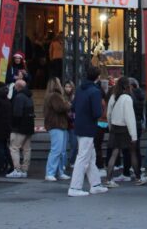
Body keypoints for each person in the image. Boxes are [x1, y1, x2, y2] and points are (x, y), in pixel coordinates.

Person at [68, 66, 109, 197]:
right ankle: (75, 187)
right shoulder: (95, 91)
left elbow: (73, 107)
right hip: (89, 127)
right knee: (84, 157)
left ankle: (95, 184)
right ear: (97, 77)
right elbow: (97, 112)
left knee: (90, 156)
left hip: (79, 125)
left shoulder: (80, 89)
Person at [104, 77, 143, 187]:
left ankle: (108, 179)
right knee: (132, 152)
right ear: (128, 86)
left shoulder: (113, 96)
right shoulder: (127, 98)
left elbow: (109, 114)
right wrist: (133, 135)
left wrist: (110, 126)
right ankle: (138, 177)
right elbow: (129, 118)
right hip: (125, 128)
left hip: (115, 128)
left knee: (114, 153)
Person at [43, 78, 71, 181]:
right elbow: (60, 107)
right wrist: (68, 104)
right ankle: (50, 172)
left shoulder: (50, 96)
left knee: (60, 150)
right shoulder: (55, 96)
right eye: (59, 82)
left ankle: (60, 172)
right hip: (57, 125)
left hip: (57, 125)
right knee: (57, 150)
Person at [7, 79, 34, 179]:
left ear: (18, 87)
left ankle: (17, 169)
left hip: (19, 128)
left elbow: (17, 114)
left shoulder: (19, 97)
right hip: (29, 127)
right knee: (27, 149)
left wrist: (13, 126)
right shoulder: (29, 97)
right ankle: (24, 170)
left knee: (14, 148)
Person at [63, 80, 78, 166]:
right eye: (66, 86)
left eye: (69, 87)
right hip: (64, 123)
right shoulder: (62, 97)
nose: (68, 88)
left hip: (73, 124)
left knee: (74, 144)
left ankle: (72, 161)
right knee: (63, 145)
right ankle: (64, 163)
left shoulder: (75, 97)